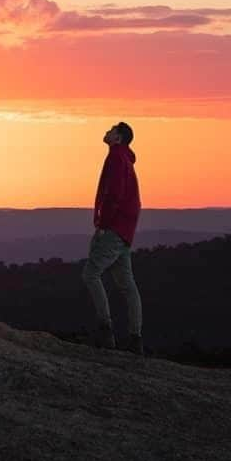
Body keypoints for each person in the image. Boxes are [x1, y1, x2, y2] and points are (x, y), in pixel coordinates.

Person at [81, 121, 143, 354]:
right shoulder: (124, 159)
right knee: (127, 284)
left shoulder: (117, 158)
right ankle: (135, 338)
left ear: (118, 138)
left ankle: (105, 331)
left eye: (111, 130)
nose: (106, 131)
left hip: (114, 229)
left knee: (90, 274)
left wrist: (104, 225)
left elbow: (113, 194)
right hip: (125, 230)